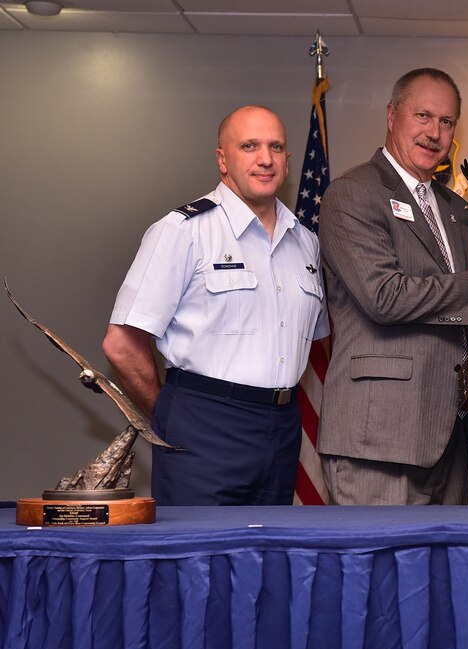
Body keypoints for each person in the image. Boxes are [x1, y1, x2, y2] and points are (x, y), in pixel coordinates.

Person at [317, 68, 468, 505]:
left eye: (447, 121)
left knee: (445, 572)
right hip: (377, 440)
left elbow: (465, 317)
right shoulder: (352, 193)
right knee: (376, 572)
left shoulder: (457, 210)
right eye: (423, 115)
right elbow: (384, 296)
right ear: (392, 115)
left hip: (449, 437)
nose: (434, 132)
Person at [103, 105, 329, 505]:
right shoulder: (182, 231)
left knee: (269, 559)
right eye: (249, 146)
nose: (265, 158)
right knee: (198, 564)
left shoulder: (305, 242)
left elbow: (312, 341)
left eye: (276, 146)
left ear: (288, 161)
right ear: (223, 159)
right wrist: (173, 419)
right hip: (202, 425)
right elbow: (121, 345)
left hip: (282, 428)